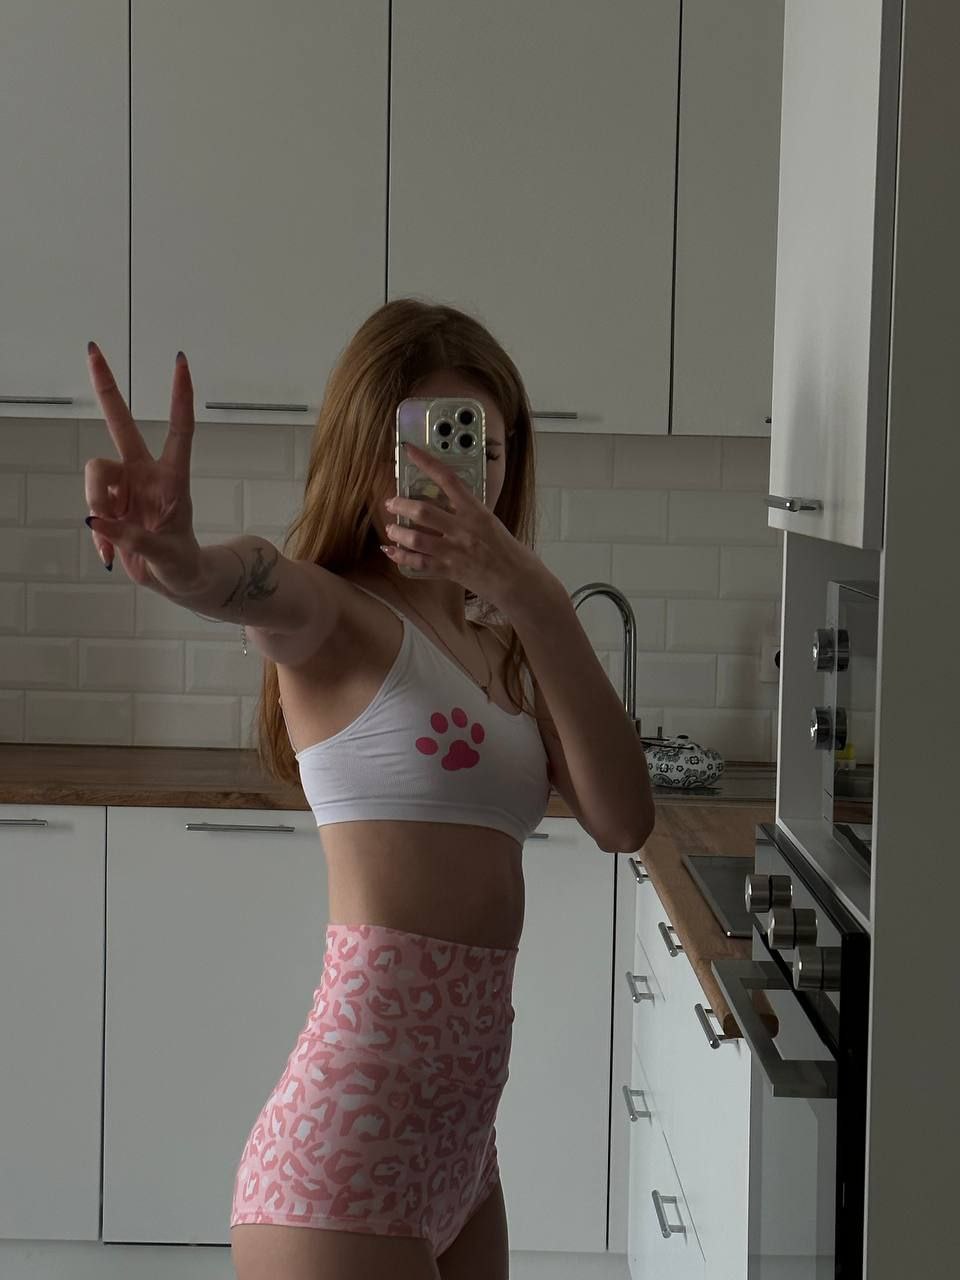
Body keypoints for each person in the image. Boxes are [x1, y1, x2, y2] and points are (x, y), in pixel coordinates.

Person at [83, 298, 654, 1280]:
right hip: (341, 1163)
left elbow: (622, 818)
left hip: (462, 1159)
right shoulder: (336, 616)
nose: (461, 474)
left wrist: (532, 595)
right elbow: (253, 581)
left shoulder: (505, 644)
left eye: (482, 445)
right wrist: (184, 564)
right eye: (426, 445)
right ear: (368, 452)